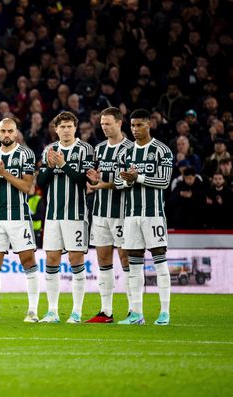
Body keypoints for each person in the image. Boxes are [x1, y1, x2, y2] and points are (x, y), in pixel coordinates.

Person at [0, 118, 39, 323]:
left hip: (19, 217)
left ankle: (33, 311)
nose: (6, 135)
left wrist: (4, 173)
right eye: (3, 131)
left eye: (10, 131)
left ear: (16, 133)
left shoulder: (25, 154)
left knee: (28, 261)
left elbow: (27, 187)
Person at [115, 109, 173, 325]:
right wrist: (128, 180)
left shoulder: (161, 151)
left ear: (150, 124)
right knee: (134, 264)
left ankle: (164, 312)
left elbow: (164, 182)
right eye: (132, 126)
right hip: (130, 216)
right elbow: (119, 183)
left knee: (160, 260)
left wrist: (137, 177)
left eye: (139, 125)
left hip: (154, 215)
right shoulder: (125, 153)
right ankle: (136, 313)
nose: (135, 129)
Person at [36, 111, 94, 324]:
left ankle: (76, 312)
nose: (66, 130)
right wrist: (51, 167)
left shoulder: (85, 150)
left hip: (76, 215)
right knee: (51, 260)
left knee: (75, 260)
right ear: (56, 129)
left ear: (75, 128)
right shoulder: (49, 150)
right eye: (62, 127)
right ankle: (52, 311)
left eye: (70, 126)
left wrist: (63, 165)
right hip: (52, 216)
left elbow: (83, 181)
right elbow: (41, 182)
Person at [84, 107, 134, 323]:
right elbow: (98, 181)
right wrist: (95, 180)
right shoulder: (100, 149)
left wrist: (102, 185)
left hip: (122, 213)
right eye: (102, 124)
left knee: (126, 260)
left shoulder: (131, 149)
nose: (104, 127)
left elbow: (129, 182)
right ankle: (106, 311)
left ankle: (134, 310)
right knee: (103, 258)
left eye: (108, 123)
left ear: (119, 123)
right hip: (100, 213)